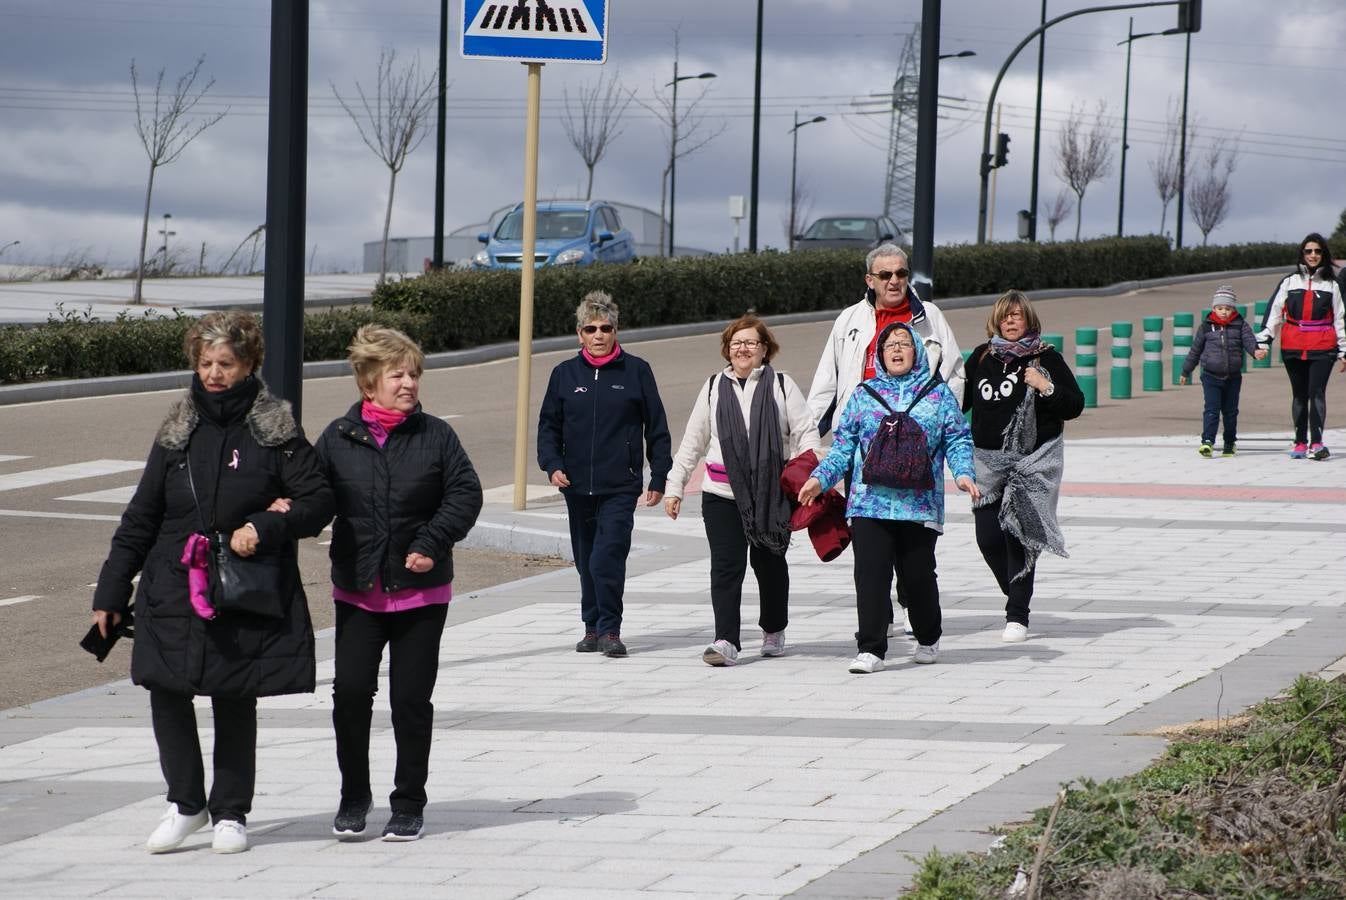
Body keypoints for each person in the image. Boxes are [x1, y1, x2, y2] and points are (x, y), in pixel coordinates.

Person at [90, 311, 333, 855]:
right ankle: (185, 804)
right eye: (205, 363)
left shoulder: (276, 430)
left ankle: (230, 812)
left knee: (233, 694)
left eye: (226, 363)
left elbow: (318, 499)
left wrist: (265, 525)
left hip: (239, 585)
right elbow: (141, 515)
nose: (214, 373)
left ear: (249, 365)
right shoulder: (177, 429)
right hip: (170, 583)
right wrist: (110, 592)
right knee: (164, 687)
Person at [312, 325, 483, 843]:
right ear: (369, 383)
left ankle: (408, 802)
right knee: (351, 695)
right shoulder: (337, 438)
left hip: (420, 595)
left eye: (413, 374)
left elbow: (465, 494)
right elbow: (315, 498)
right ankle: (353, 796)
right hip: (359, 592)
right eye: (397, 375)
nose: (409, 383)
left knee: (410, 701)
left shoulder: (436, 435)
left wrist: (430, 544)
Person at [798, 321, 978, 673]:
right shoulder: (863, 395)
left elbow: (957, 439)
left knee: (917, 576)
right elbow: (843, 447)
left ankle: (928, 636)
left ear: (917, 352)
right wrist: (820, 478)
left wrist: (963, 472)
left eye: (904, 344)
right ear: (880, 355)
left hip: (919, 503)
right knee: (870, 574)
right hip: (869, 502)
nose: (896, 350)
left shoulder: (938, 395)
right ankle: (871, 648)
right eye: (889, 345)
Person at [806, 242, 964, 639]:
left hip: (916, 453)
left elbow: (956, 375)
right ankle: (877, 625)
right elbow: (828, 380)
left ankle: (912, 604)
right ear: (870, 280)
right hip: (863, 451)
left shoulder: (930, 319)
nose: (895, 281)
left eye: (901, 274)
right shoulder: (850, 320)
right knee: (871, 549)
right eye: (885, 275)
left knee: (914, 556)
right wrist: (810, 440)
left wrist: (932, 423)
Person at [663, 314, 823, 666]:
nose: (743, 349)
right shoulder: (712, 388)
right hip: (721, 494)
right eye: (736, 343)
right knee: (725, 566)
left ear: (765, 349)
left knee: (768, 565)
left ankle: (773, 628)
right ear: (727, 349)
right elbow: (692, 443)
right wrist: (674, 487)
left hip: (770, 495)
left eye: (751, 342)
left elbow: (806, 433)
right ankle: (726, 640)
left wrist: (811, 472)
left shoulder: (782, 385)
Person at [538, 291, 673, 658]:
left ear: (616, 330)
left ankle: (611, 630)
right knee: (585, 560)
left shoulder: (636, 371)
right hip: (576, 486)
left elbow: (657, 428)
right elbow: (548, 426)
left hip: (620, 485)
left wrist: (658, 477)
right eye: (590, 328)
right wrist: (552, 465)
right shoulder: (564, 374)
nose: (599, 335)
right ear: (579, 333)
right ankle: (591, 627)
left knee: (607, 557)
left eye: (605, 327)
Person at [962, 291, 1084, 644]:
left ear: (1029, 320)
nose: (1011, 321)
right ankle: (1016, 593)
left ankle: (1018, 613)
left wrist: (1045, 386)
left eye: (1017, 315)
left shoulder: (1046, 358)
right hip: (988, 464)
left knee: (1019, 537)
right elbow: (959, 403)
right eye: (1005, 316)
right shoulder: (982, 357)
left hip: (1032, 464)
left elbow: (1074, 405)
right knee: (988, 539)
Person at [1257, 233, 1346, 459]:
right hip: (1293, 346)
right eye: (1309, 251)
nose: (1313, 255)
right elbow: (1274, 313)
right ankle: (1299, 442)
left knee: (1316, 393)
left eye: (1317, 251)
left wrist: (1344, 350)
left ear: (1323, 254)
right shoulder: (1289, 282)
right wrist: (1264, 341)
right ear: (1302, 254)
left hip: (1323, 347)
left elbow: (1340, 318)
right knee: (1299, 395)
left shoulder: (1332, 284)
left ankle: (1316, 443)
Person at [1180, 285, 1266, 457]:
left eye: (1227, 308)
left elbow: (1249, 340)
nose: (1224, 312)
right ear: (1214, 308)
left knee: (1230, 411)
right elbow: (1195, 350)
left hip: (1233, 377)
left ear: (1233, 308)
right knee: (1211, 409)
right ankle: (1207, 442)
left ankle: (1229, 442)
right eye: (1220, 308)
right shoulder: (1206, 327)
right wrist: (1186, 371)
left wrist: (1256, 351)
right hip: (1210, 376)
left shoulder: (1240, 325)